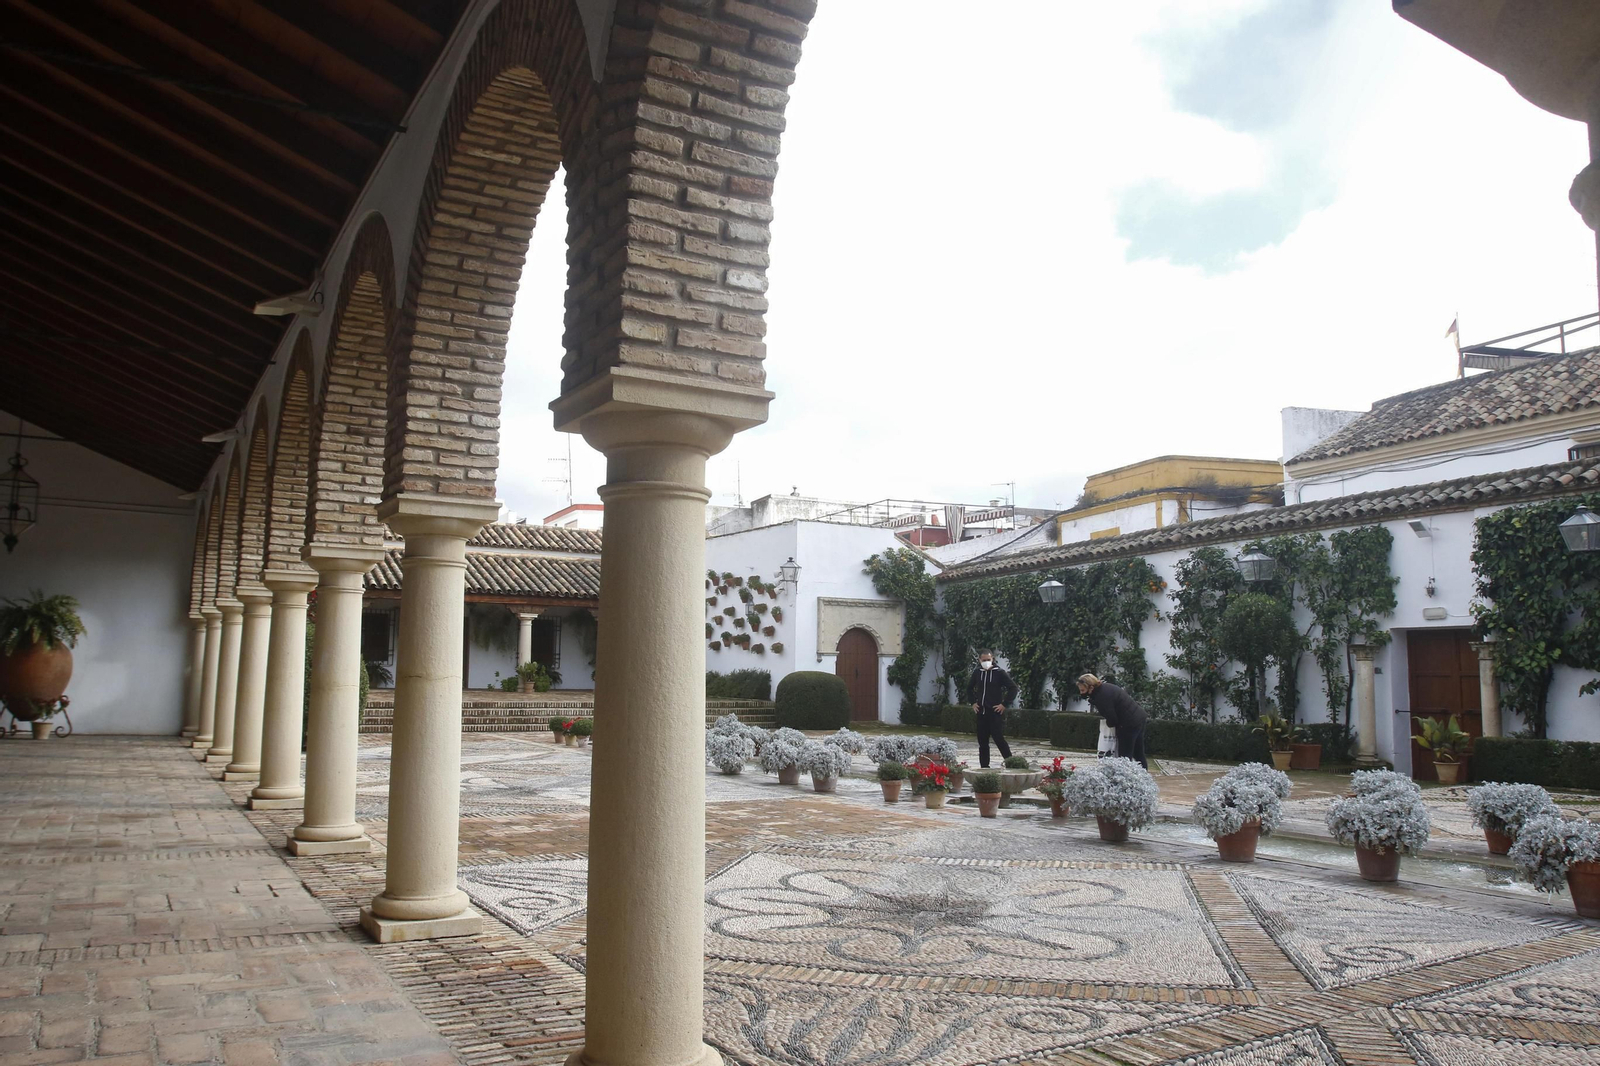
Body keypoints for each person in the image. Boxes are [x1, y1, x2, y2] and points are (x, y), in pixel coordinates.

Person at [1077, 673, 1147, 768]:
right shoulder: (1106, 687)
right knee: (1138, 752)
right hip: (1139, 717)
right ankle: (1144, 775)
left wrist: (1108, 724)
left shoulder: (1101, 697)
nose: (1081, 693)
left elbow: (1112, 718)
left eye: (1082, 690)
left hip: (1128, 723)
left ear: (1091, 688)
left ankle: (1126, 779)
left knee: (1125, 756)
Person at [966, 650, 1017, 769]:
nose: (986, 662)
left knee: (999, 739)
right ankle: (984, 767)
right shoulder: (977, 673)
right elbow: (969, 688)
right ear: (979, 660)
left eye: (988, 660)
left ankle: (1012, 764)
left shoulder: (999, 673)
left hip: (994, 713)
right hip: (981, 713)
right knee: (982, 743)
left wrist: (1004, 704)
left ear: (992, 659)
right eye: (984, 660)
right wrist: (973, 702)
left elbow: (1013, 688)